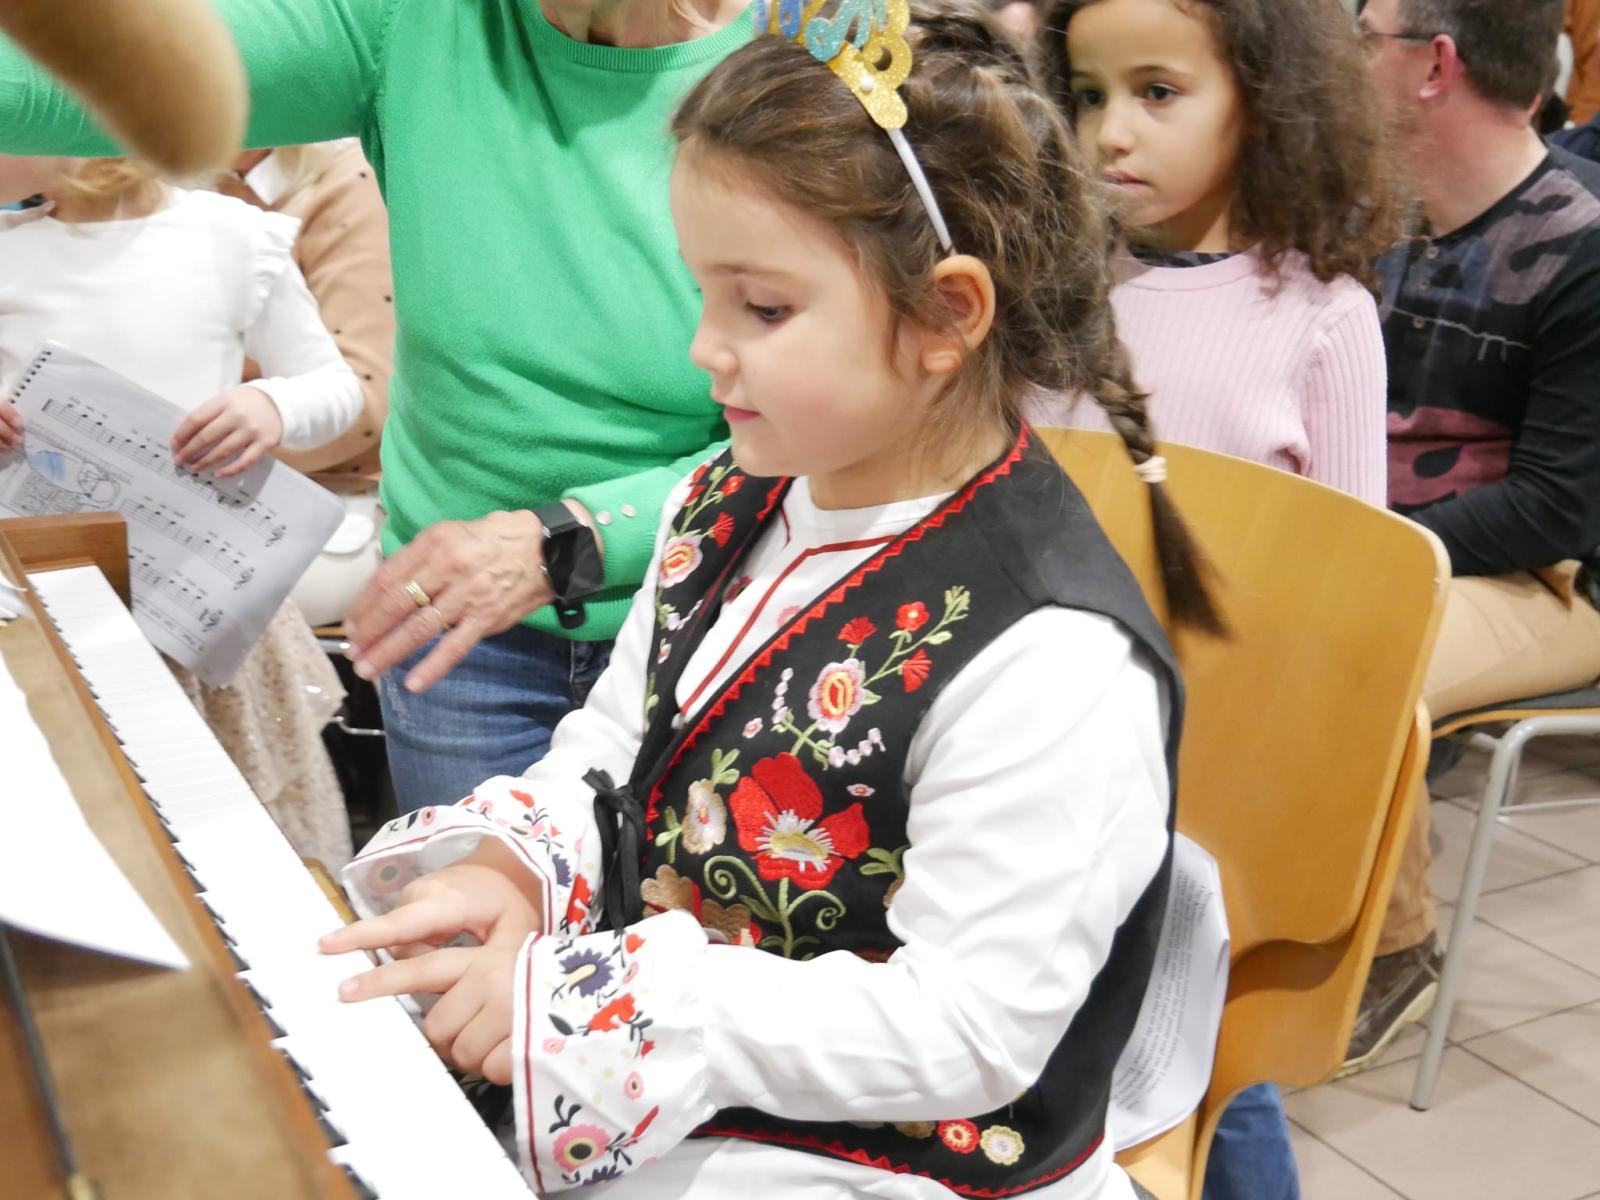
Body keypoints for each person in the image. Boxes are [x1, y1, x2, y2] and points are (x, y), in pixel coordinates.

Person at [318, 2, 1222, 1195]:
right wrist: (511, 869)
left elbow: (966, 1031)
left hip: (897, 1163)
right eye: (701, 294)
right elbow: (616, 751)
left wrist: (640, 1001)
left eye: (762, 308)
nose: (704, 349)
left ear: (946, 314)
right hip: (721, 1105)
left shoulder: (1048, 654)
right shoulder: (734, 495)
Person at [0, 0, 753, 814]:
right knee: (463, 921)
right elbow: (59, 84)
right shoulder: (416, 23)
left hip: (710, 608)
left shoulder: (822, 48)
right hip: (455, 626)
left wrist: (576, 539)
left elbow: (848, 429)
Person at [1352, 0, 1600, 1073]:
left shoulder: (1581, 245)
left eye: (1363, 35)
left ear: (1432, 65)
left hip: (1546, 583)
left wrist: (1359, 551)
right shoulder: (1369, 217)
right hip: (1382, 540)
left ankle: (1395, 953)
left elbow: (1559, 505)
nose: (1338, 59)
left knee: (1355, 662)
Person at [0, 156, 364, 867]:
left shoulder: (233, 237)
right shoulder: (8, 252)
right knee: (81, 824)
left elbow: (334, 386)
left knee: (229, 825)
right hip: (45, 600)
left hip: (197, 596)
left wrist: (272, 405)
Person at [1031, 0, 1397, 509]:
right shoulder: (1047, 284)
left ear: (1260, 99)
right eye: (1090, 96)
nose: (1111, 135)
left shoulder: (1326, 318)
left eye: (1158, 92)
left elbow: (1354, 562)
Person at [221, 140, 396, 627]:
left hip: (337, 497)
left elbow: (367, 401)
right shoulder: (169, 187)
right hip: (212, 487)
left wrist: (183, 449)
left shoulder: (350, 185)